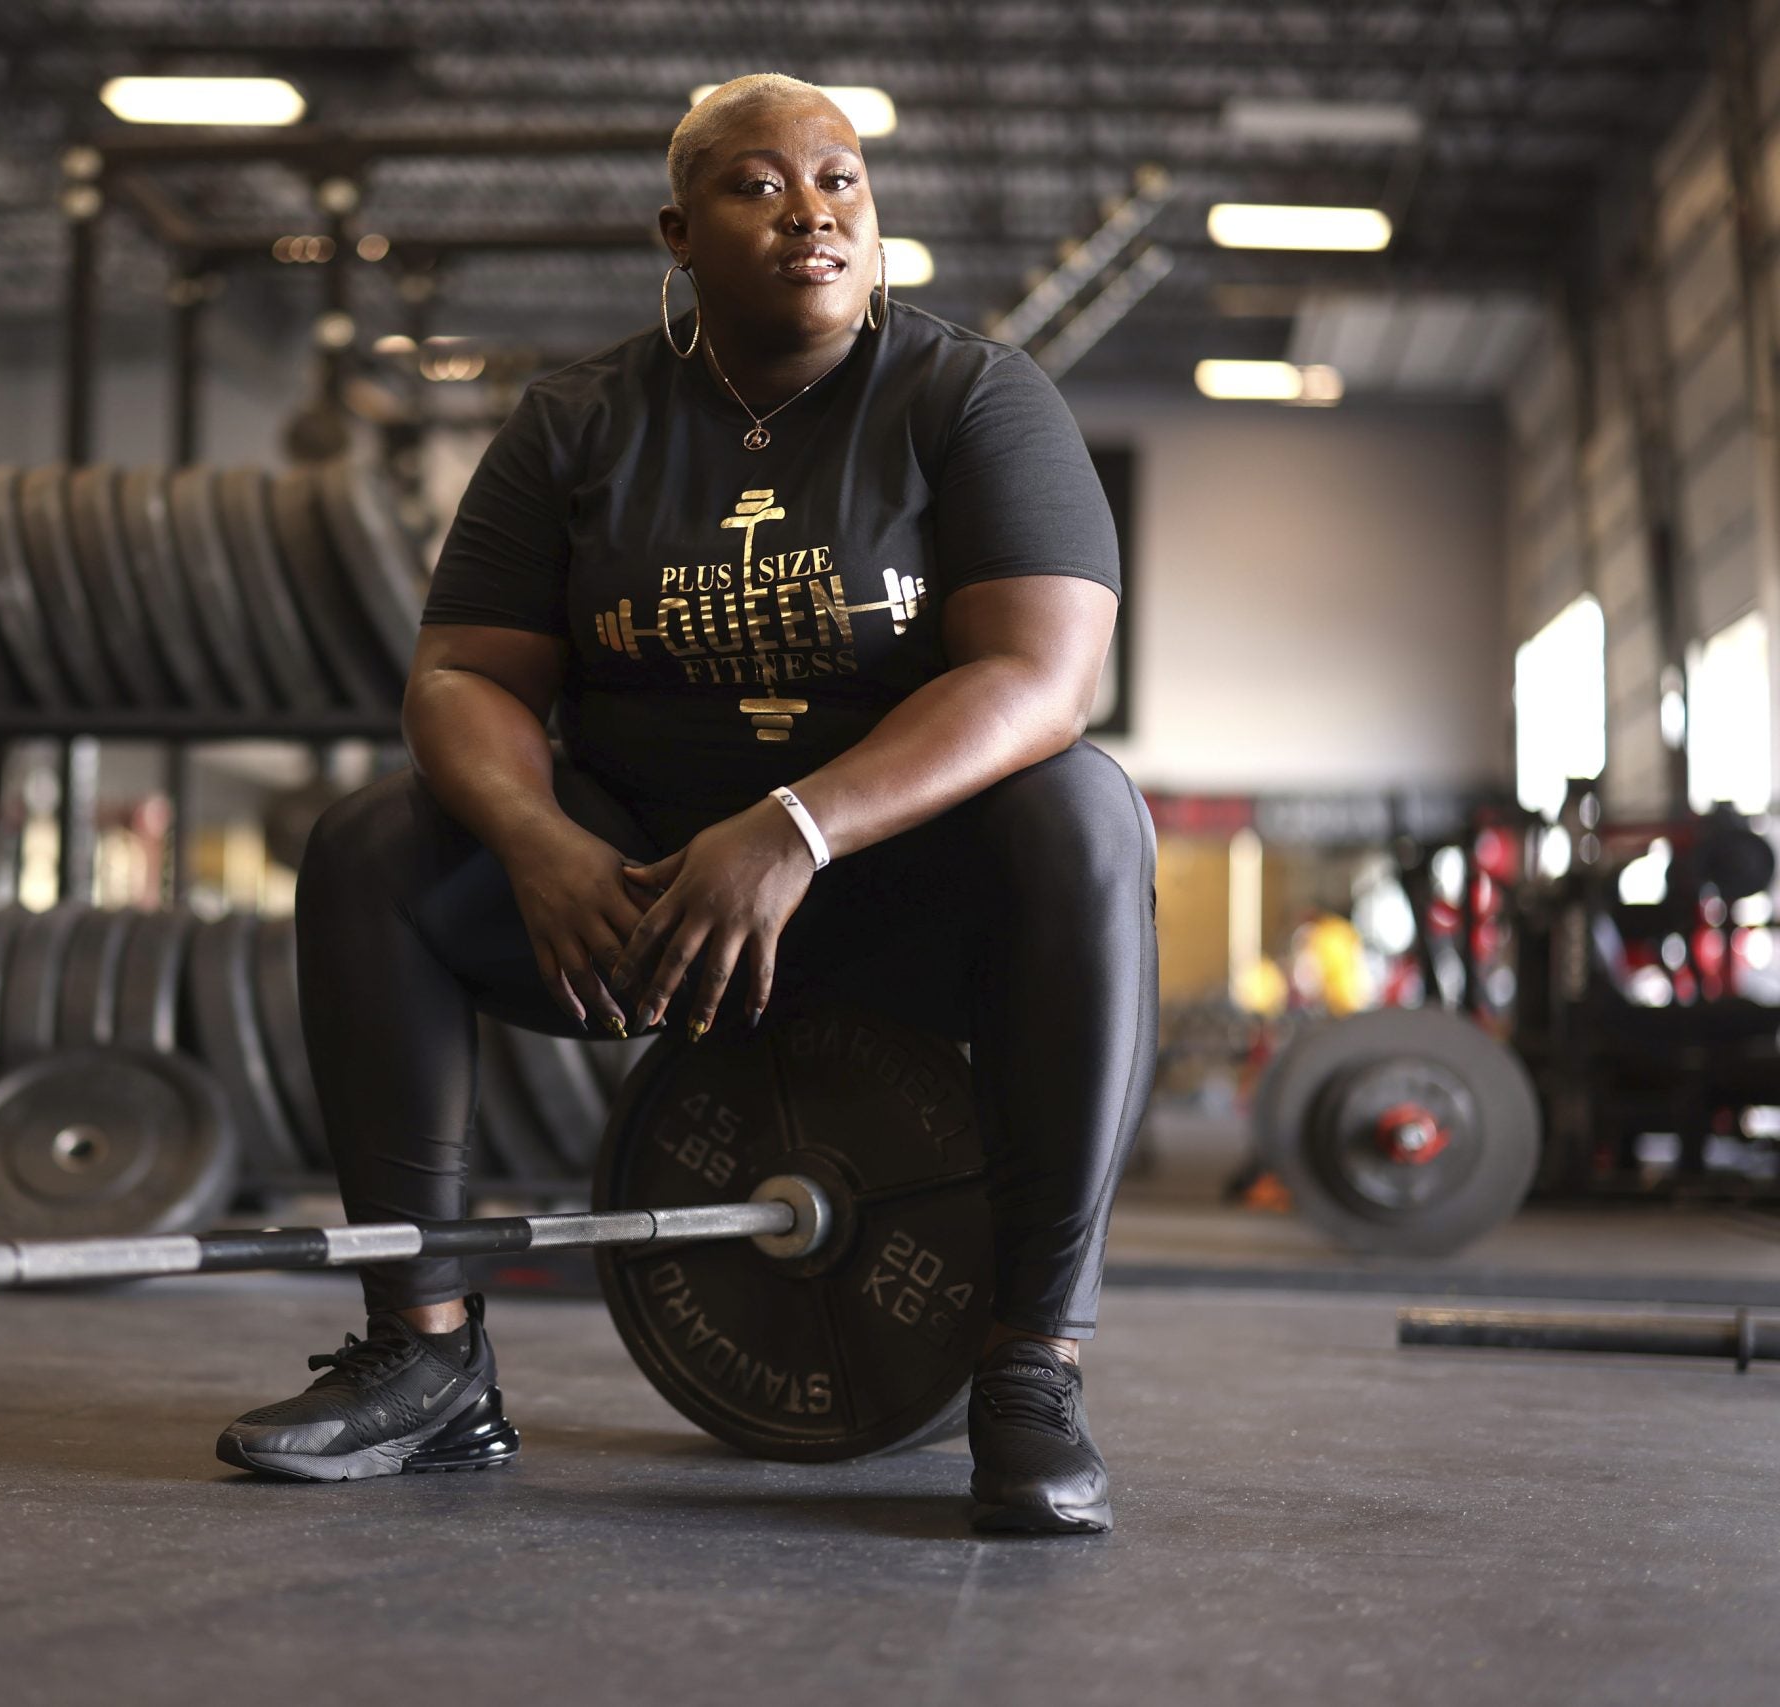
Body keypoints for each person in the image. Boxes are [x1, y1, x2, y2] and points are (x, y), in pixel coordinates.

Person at [218, 74, 1157, 1536]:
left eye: (841, 180)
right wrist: (539, 844)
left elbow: (1043, 677)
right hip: (632, 900)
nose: (813, 210)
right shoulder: (578, 420)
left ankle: (1030, 1364)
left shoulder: (973, 396)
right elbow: (463, 674)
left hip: (894, 898)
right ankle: (427, 1354)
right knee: (370, 851)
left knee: (1083, 812)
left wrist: (792, 831)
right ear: (677, 229)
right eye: (759, 184)